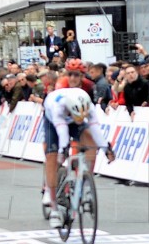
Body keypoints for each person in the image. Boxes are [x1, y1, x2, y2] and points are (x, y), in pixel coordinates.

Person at [42, 87, 115, 228]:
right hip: (53, 122)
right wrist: (63, 151)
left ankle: (86, 183)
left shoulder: (89, 105)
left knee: (91, 141)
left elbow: (95, 129)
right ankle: (54, 208)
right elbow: (62, 132)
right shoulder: (57, 107)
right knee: (52, 156)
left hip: (74, 119)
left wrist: (106, 148)